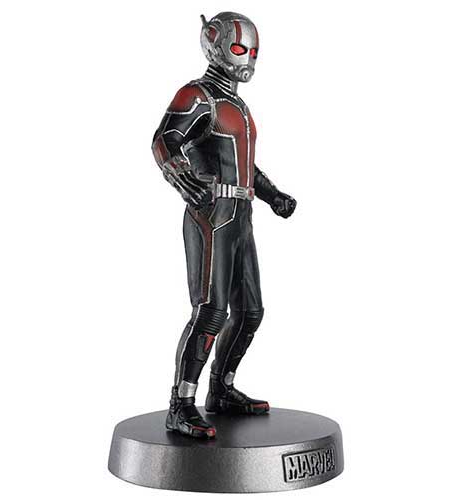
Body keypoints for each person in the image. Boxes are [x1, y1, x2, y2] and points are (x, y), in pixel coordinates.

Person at [152, 12, 296, 439]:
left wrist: (273, 195)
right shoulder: (198, 95)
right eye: (238, 48)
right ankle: (181, 404)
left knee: (250, 312)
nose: (246, 57)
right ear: (214, 44)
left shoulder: (236, 105)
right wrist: (182, 179)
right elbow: (165, 139)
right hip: (211, 213)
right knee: (211, 311)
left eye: (252, 50)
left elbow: (244, 165)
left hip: (241, 214)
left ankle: (221, 389)